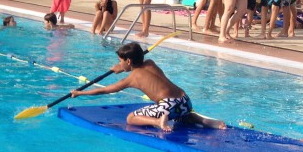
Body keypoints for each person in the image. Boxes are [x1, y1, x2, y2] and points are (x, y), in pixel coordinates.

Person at [70, 41, 226, 131]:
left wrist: (80, 93)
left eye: (120, 60)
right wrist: (122, 68)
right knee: (181, 117)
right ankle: (207, 121)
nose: (119, 63)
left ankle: (158, 122)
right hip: (185, 101)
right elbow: (140, 65)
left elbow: (105, 90)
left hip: (168, 106)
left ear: (129, 61)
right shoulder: (150, 63)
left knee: (131, 118)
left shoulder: (132, 78)